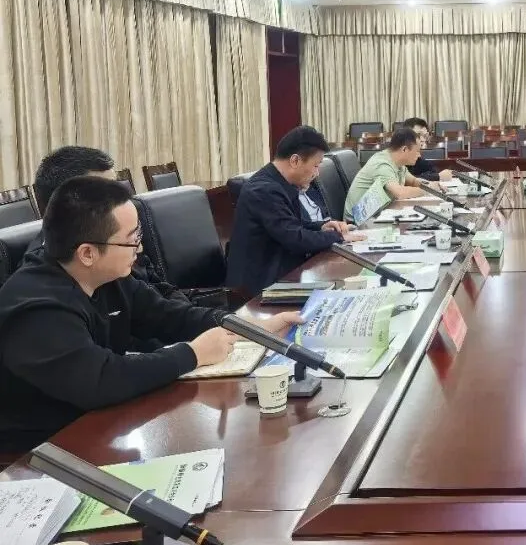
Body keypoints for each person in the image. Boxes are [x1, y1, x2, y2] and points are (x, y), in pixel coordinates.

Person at [0, 176, 301, 453]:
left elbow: (171, 316)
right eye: (131, 239)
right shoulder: (36, 308)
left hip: (100, 423)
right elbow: (100, 380)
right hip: (37, 452)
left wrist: (253, 326)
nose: (140, 247)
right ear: (87, 253)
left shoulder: (108, 276)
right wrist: (193, 354)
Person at [23, 145, 187, 303]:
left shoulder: (121, 233)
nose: (121, 202)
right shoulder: (47, 286)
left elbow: (160, 291)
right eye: (107, 196)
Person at [227, 126, 363, 295]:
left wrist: (321, 227)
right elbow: (295, 239)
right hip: (261, 288)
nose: (317, 173)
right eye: (315, 166)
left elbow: (290, 224)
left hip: (283, 273)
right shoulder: (263, 190)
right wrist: (339, 236)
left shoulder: (278, 183)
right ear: (295, 161)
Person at [344, 128, 439, 218]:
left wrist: (430, 185)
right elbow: (400, 193)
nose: (419, 155)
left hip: (376, 213)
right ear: (404, 149)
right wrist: (428, 191)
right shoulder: (382, 164)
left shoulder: (397, 162)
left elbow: (413, 181)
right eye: (417, 151)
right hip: (358, 221)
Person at [399, 118, 454, 182]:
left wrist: (437, 175)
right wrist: (437, 176)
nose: (423, 139)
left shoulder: (417, 157)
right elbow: (404, 180)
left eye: (425, 136)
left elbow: (432, 170)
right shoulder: (397, 155)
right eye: (418, 135)